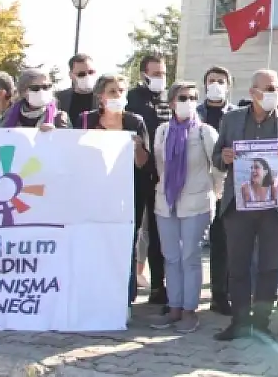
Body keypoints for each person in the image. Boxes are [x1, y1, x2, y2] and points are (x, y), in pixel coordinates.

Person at [211, 69, 278, 341]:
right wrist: (224, 157)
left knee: (269, 267)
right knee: (237, 266)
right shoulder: (232, 119)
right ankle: (239, 322)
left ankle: (262, 324)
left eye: (276, 88)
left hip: (274, 208)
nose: (274, 93)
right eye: (269, 89)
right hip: (239, 206)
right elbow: (216, 157)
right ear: (253, 93)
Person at [150, 81, 219, 334]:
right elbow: (160, 166)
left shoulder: (205, 132)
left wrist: (214, 194)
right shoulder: (162, 132)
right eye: (182, 97)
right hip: (167, 202)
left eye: (192, 97)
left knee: (191, 257)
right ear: (171, 102)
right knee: (171, 257)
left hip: (197, 202)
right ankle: (175, 307)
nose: (187, 101)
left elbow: (218, 168)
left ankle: (190, 310)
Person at [78, 73, 151, 309]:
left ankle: (123, 301)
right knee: (93, 242)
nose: (118, 95)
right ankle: (91, 295)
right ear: (100, 96)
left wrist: (138, 147)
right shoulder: (85, 121)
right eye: (112, 91)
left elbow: (143, 164)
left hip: (128, 196)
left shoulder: (135, 122)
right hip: (93, 195)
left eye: (121, 90)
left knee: (125, 244)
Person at [126, 55, 172, 309]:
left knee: (158, 234)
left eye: (163, 74)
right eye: (155, 74)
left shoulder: (168, 100)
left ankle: (158, 287)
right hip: (135, 173)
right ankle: (129, 285)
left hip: (162, 175)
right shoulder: (131, 98)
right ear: (143, 74)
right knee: (132, 231)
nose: (159, 78)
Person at [198, 66, 235, 315]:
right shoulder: (195, 112)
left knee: (223, 242)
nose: (216, 84)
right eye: (212, 81)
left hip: (227, 185)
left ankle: (220, 295)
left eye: (221, 81)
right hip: (198, 184)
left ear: (228, 86)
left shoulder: (236, 115)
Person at [0, 68, 70, 130]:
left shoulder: (59, 117)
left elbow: (69, 142)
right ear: (23, 92)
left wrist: (55, 134)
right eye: (35, 88)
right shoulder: (9, 115)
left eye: (46, 87)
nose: (42, 91)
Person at [55, 53, 97, 126]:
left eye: (91, 72)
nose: (88, 76)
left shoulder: (104, 97)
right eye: (81, 74)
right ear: (71, 75)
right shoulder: (59, 98)